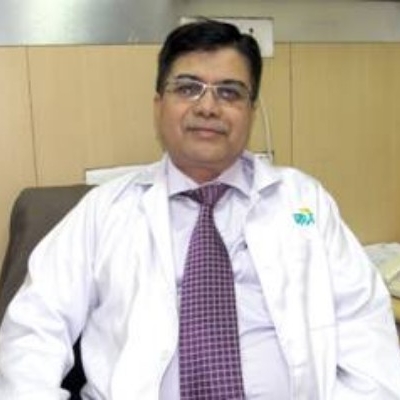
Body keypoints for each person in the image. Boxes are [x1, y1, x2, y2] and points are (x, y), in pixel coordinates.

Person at [0, 19, 400, 400]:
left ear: (251, 111)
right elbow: (34, 328)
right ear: (159, 105)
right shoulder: (104, 210)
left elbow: (366, 327)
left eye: (229, 92)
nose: (208, 106)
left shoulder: (304, 201)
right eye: (188, 88)